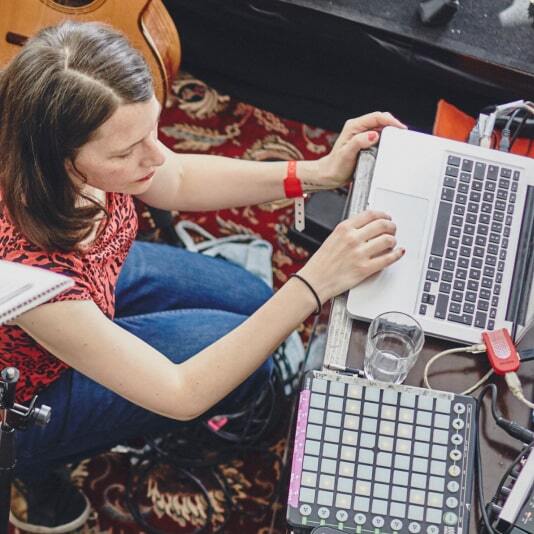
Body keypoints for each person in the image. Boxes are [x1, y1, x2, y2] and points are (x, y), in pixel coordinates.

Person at [0, 20, 406, 533]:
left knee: (252, 300)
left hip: (93, 283)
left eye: (152, 131)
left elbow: (179, 177)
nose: (153, 157)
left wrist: (316, 172)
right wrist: (313, 282)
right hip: (29, 387)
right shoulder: (26, 271)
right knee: (243, 358)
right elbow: (180, 391)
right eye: (126, 153)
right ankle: (32, 470)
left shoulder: (76, 141)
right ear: (59, 159)